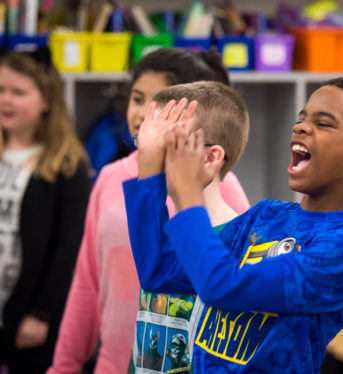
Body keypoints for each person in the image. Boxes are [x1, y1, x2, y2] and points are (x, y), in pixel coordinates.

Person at [123, 76, 343, 372]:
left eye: (323, 123)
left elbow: (223, 287)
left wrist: (188, 192)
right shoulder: (265, 215)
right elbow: (160, 272)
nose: (300, 127)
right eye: (301, 118)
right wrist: (149, 166)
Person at [48, 48, 251, 374]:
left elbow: (231, 285)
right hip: (117, 364)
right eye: (138, 99)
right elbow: (87, 280)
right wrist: (64, 365)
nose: (143, 115)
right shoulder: (111, 178)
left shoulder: (218, 187)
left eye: (160, 106)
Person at [129, 81, 250, 373]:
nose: (146, 157)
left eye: (165, 145)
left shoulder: (235, 244)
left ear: (210, 157)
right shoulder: (167, 233)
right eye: (144, 143)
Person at [0, 49, 90, 373]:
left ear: (47, 102)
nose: (5, 100)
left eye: (18, 92)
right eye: (0, 90)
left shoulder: (66, 165)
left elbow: (70, 246)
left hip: (30, 314)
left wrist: (42, 312)